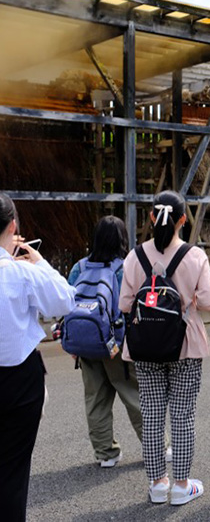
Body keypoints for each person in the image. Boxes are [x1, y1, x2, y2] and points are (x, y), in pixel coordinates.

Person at [119, 191, 210, 505]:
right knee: (183, 417)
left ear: (151, 217)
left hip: (145, 347)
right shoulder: (195, 256)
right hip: (185, 345)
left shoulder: (135, 256)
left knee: (151, 416)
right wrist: (187, 301)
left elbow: (124, 304)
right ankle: (181, 485)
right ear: (183, 220)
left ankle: (157, 484)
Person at [0, 193, 75, 522]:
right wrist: (40, 263)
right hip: (19, 377)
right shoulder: (22, 272)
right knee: (12, 471)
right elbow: (65, 301)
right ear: (13, 226)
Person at [66, 216, 143, 467]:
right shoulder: (125, 267)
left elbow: (68, 304)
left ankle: (106, 454)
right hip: (117, 344)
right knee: (134, 396)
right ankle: (157, 447)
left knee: (96, 400)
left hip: (86, 344)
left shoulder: (79, 268)